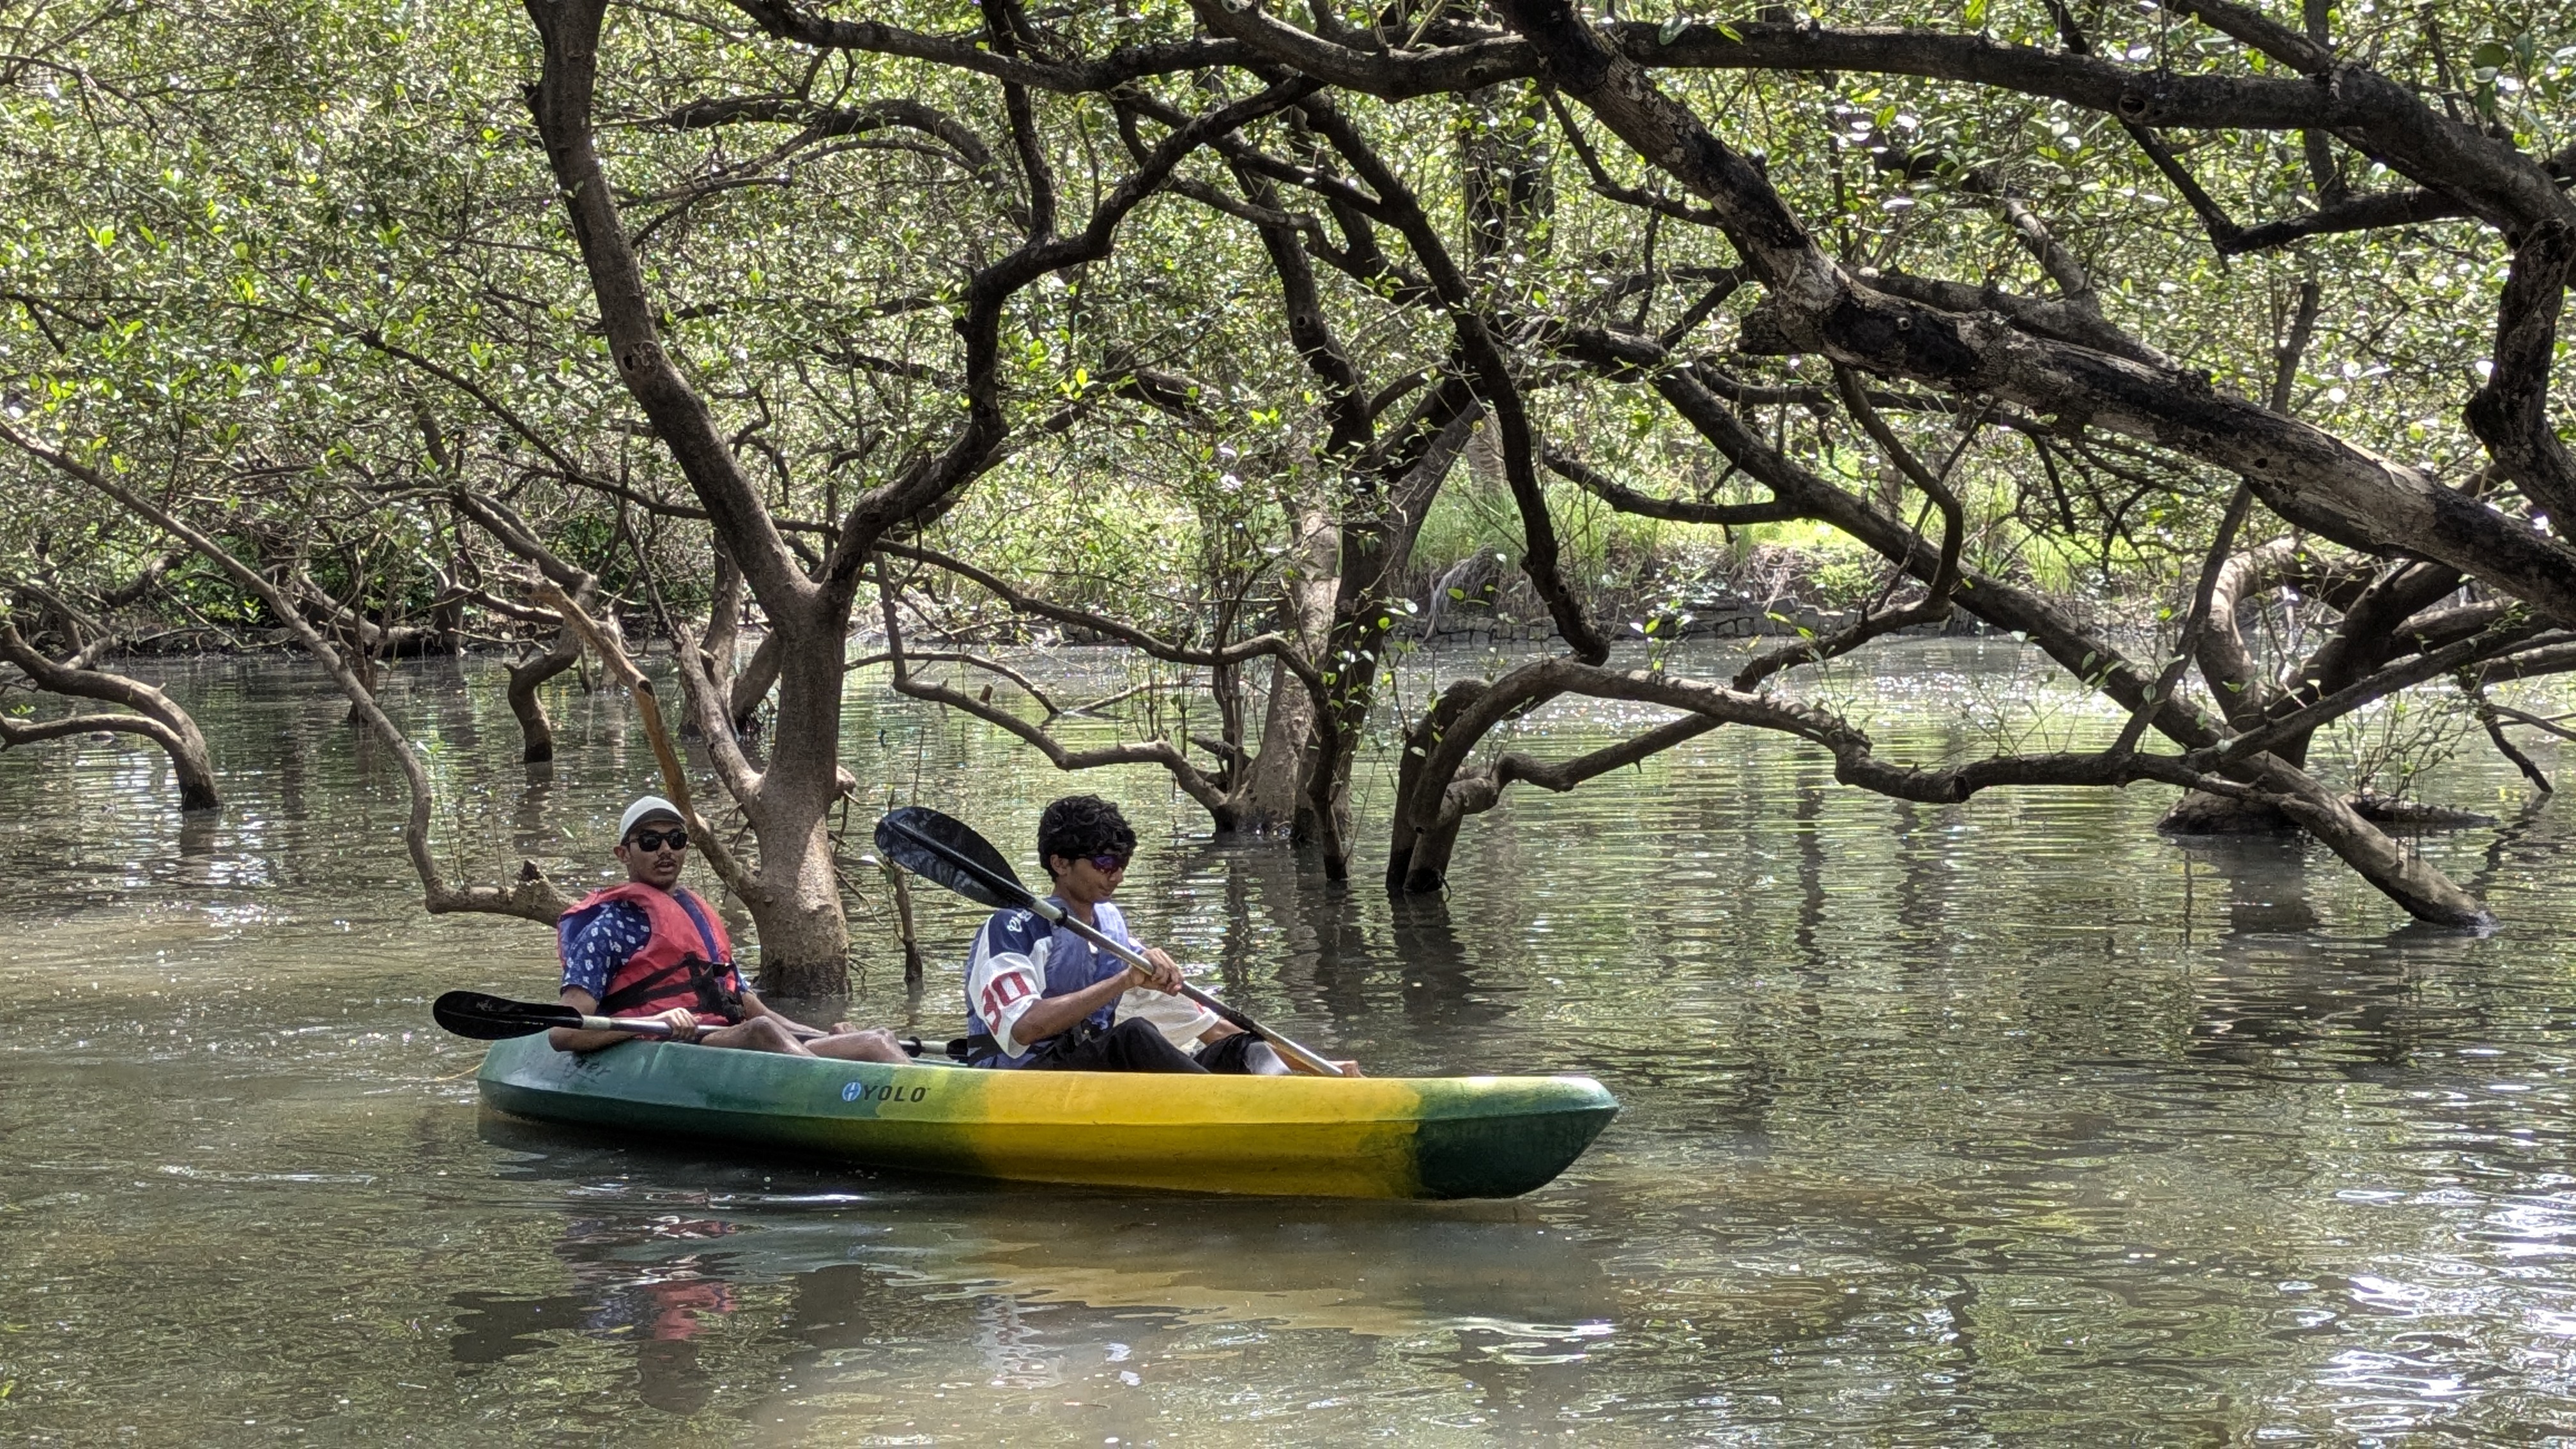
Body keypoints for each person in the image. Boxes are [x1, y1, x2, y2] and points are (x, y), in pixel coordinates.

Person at [959, 795, 1330, 1074]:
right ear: (1060, 863)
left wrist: (1321, 1069)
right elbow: (1025, 1028)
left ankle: (1286, 1092)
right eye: (1105, 864)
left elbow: (1209, 1024)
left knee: (1240, 1046)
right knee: (1133, 1035)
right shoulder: (1011, 928)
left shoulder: (1110, 930)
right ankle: (1232, 1106)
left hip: (1088, 1075)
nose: (1117, 877)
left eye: (1122, 865)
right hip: (1021, 1079)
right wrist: (1123, 981)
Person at [550, 795, 907, 1061]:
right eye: (649, 841)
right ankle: (837, 1090)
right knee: (762, 1033)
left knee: (875, 1040)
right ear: (624, 853)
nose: (665, 850)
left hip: (725, 1037)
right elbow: (563, 1033)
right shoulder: (607, 929)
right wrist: (652, 1021)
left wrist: (820, 1033)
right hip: (665, 1047)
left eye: (675, 840)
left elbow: (753, 1009)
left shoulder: (701, 920)